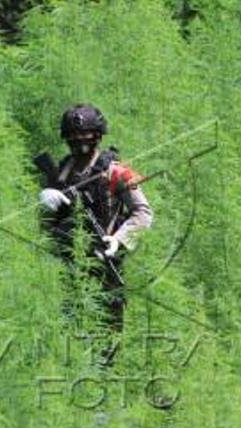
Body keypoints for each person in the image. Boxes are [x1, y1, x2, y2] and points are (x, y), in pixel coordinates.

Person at [38, 104, 153, 361]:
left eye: (86, 136)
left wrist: (119, 240)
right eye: (74, 138)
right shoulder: (59, 174)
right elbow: (44, 227)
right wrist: (44, 202)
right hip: (65, 267)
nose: (80, 143)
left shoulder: (116, 172)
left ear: (98, 136)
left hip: (104, 264)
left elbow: (143, 213)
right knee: (68, 336)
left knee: (108, 342)